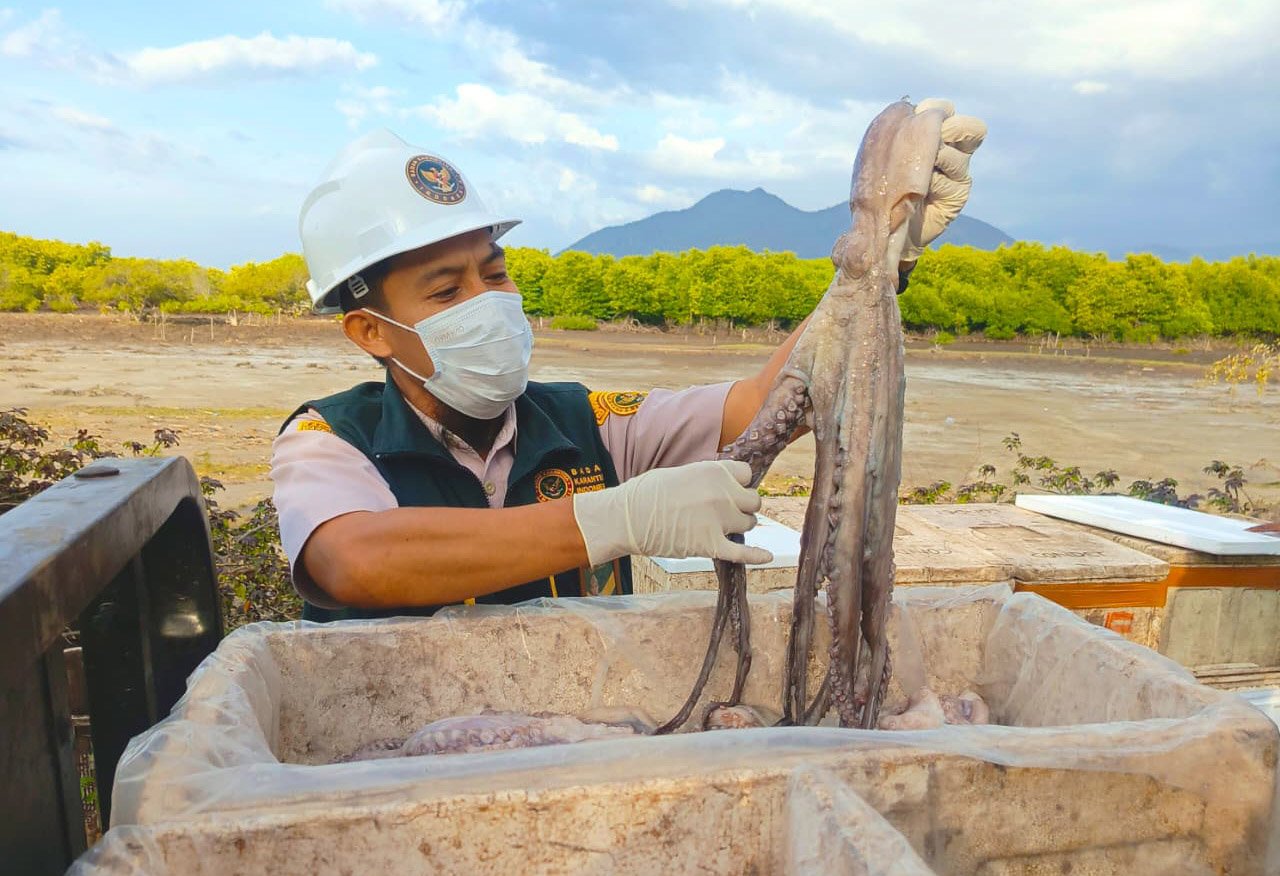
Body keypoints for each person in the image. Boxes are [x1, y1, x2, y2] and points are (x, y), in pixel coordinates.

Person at [270, 101, 986, 622]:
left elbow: (766, 404)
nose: (488, 301)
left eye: (494, 274)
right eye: (447, 290)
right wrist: (615, 518)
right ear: (371, 332)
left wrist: (877, 261)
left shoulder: (586, 423)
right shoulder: (329, 441)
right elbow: (351, 560)